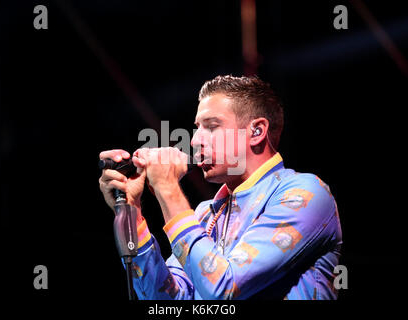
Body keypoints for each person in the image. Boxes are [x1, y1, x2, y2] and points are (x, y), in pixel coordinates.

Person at [99, 75, 342, 300]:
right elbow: (168, 301)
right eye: (197, 128)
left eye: (212, 126)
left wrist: (168, 188)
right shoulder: (205, 215)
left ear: (256, 132)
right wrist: (131, 211)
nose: (194, 140)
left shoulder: (306, 194)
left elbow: (224, 288)